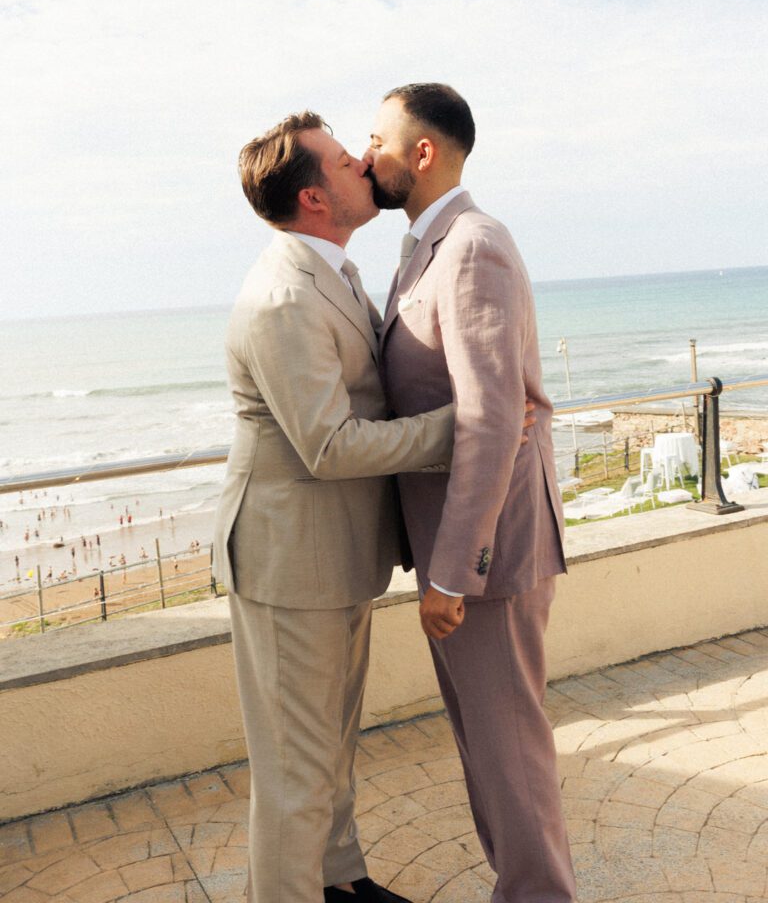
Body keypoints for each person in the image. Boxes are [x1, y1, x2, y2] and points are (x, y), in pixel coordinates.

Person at [212, 111, 457, 903]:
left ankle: (341, 880)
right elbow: (331, 445)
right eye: (349, 160)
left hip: (334, 553)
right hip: (289, 564)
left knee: (330, 746)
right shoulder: (285, 295)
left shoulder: (334, 271)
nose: (367, 164)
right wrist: (461, 428)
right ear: (316, 198)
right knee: (294, 767)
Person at [365, 83, 576, 903]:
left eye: (378, 138)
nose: (365, 153)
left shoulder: (472, 244)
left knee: (509, 753)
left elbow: (492, 419)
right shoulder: (425, 246)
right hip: (456, 550)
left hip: (485, 557)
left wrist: (452, 571)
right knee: (489, 750)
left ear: (423, 152)